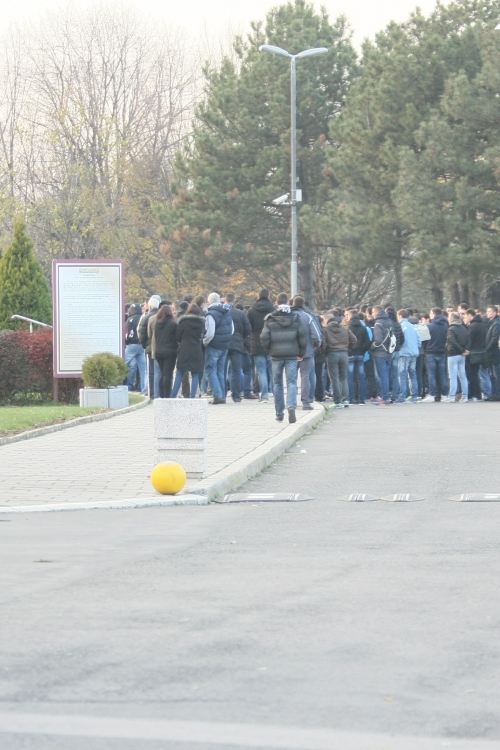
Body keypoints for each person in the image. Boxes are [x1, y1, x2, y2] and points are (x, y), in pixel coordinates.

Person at [260, 293, 306, 423]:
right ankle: (291, 406)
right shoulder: (295, 318)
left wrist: (269, 349)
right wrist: (301, 353)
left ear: (276, 303)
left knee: (277, 384)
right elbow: (302, 337)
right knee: (291, 382)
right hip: (292, 355)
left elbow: (264, 337)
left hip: (276, 355)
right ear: (289, 303)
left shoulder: (270, 318)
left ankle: (279, 413)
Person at [321, 308, 357, 408]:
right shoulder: (345, 328)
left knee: (334, 378)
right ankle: (345, 399)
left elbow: (323, 344)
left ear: (326, 320)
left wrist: (324, 352)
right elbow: (354, 340)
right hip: (344, 354)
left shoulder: (325, 330)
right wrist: (348, 348)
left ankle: (337, 401)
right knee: (343, 377)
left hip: (332, 354)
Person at [203, 292, 234, 404]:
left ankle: (217, 395)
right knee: (221, 371)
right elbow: (232, 330)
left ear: (209, 301)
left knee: (211, 370)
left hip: (213, 345)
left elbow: (210, 333)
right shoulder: (227, 312)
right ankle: (222, 395)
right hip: (225, 346)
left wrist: (205, 342)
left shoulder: (211, 314)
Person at [292, 295, 321, 410]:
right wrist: (316, 345)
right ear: (303, 304)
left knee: (291, 378)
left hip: (291, 351)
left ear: (293, 304)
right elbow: (316, 335)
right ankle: (306, 401)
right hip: (306, 351)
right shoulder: (308, 317)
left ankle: (291, 402)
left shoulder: (288, 316)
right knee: (306, 376)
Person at [224, 292, 255, 403]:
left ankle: (221, 394)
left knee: (222, 370)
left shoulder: (222, 312)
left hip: (223, 343)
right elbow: (248, 328)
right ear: (234, 301)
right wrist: (242, 337)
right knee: (236, 370)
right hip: (237, 343)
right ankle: (236, 395)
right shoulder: (240, 313)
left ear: (225, 300)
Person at [170, 304, 205, 398]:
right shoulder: (201, 323)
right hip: (196, 349)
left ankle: (173, 395)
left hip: (184, 349)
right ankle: (193, 396)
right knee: (195, 373)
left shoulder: (183, 322)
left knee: (180, 373)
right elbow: (203, 336)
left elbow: (177, 336)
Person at [247, 289, 275, 402]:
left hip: (256, 343)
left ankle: (264, 396)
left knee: (261, 371)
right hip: (271, 343)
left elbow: (248, 327)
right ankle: (276, 394)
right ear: (268, 296)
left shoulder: (251, 310)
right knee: (273, 371)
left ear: (258, 296)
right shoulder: (273, 310)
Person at [422, 307, 448, 402]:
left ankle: (432, 394)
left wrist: (425, 349)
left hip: (431, 352)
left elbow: (424, 340)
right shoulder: (446, 325)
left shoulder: (430, 326)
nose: (430, 315)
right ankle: (444, 395)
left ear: (434, 314)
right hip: (442, 351)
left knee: (431, 374)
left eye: (431, 313)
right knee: (442, 374)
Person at [151, 304, 178, 398]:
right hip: (170, 351)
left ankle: (161, 395)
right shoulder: (173, 324)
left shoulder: (157, 324)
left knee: (162, 374)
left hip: (158, 351)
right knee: (168, 374)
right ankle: (167, 395)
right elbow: (177, 337)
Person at [370, 305, 395, 405]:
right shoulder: (389, 322)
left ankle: (385, 397)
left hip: (380, 352)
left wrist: (372, 347)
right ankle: (387, 395)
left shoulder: (378, 324)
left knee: (382, 376)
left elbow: (378, 340)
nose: (372, 314)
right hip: (389, 352)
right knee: (387, 375)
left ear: (376, 312)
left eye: (373, 312)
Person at [444, 311, 469, 402]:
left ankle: (451, 396)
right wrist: (465, 350)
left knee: (453, 376)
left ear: (452, 318)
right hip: (462, 355)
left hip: (453, 354)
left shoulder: (451, 329)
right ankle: (465, 396)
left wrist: (461, 350)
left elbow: (453, 341)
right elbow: (468, 340)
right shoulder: (464, 328)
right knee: (463, 375)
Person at [138, 296, 160, 399]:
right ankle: (160, 392)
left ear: (149, 306)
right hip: (161, 347)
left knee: (150, 372)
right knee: (159, 371)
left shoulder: (146, 317)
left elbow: (141, 334)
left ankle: (152, 393)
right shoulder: (162, 316)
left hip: (150, 348)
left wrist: (145, 345)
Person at [346, 310, 370, 404]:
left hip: (350, 354)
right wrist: (363, 351)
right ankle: (361, 398)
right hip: (360, 354)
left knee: (350, 377)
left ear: (350, 317)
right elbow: (368, 342)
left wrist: (348, 350)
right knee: (361, 377)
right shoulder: (363, 328)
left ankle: (351, 398)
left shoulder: (347, 328)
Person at [397, 309, 421, 403]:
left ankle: (402, 395)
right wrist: (416, 348)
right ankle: (414, 396)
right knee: (412, 374)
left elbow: (400, 340)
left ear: (400, 316)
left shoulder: (401, 326)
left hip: (404, 353)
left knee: (402, 374)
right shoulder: (413, 326)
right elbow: (419, 340)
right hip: (414, 353)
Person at [464, 308, 488, 401]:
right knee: (478, 374)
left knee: (472, 374)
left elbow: (469, 340)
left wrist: (466, 349)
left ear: (470, 315)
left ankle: (476, 394)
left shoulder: (473, 326)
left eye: (466, 316)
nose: (465, 318)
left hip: (473, 353)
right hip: (481, 351)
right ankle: (477, 394)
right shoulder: (482, 324)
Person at [125, 303, 147, 394]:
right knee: (143, 369)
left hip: (131, 345)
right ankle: (144, 388)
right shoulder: (143, 318)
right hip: (141, 345)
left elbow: (126, 332)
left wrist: (126, 342)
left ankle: (123, 385)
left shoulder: (130, 319)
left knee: (124, 363)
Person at [385, 306, 404, 403]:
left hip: (389, 351)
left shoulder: (387, 324)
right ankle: (395, 394)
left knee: (387, 373)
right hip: (397, 351)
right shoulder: (398, 324)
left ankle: (388, 392)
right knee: (395, 374)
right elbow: (403, 338)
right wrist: (399, 346)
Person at [485, 305, 500, 401]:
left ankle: (497, 394)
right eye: (487, 311)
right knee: (492, 375)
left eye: (489, 311)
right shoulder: (491, 323)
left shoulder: (496, 323)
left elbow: (494, 338)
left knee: (497, 375)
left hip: (495, 353)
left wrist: (488, 348)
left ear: (495, 312)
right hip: (491, 354)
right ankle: (494, 393)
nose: (488, 313)